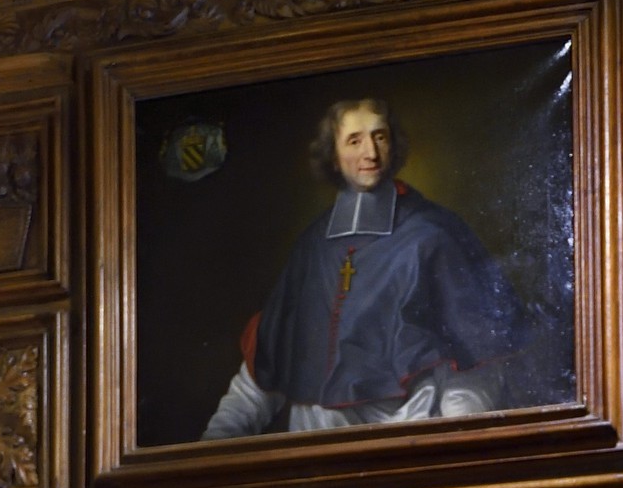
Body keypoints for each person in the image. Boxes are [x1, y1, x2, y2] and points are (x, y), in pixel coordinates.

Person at [202, 96, 521, 438]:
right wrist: (217, 441)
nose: (370, 153)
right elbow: (268, 367)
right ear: (333, 156)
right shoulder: (312, 246)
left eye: (380, 137)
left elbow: (474, 361)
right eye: (354, 141)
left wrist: (459, 441)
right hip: (318, 446)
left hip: (408, 439)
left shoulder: (434, 235)